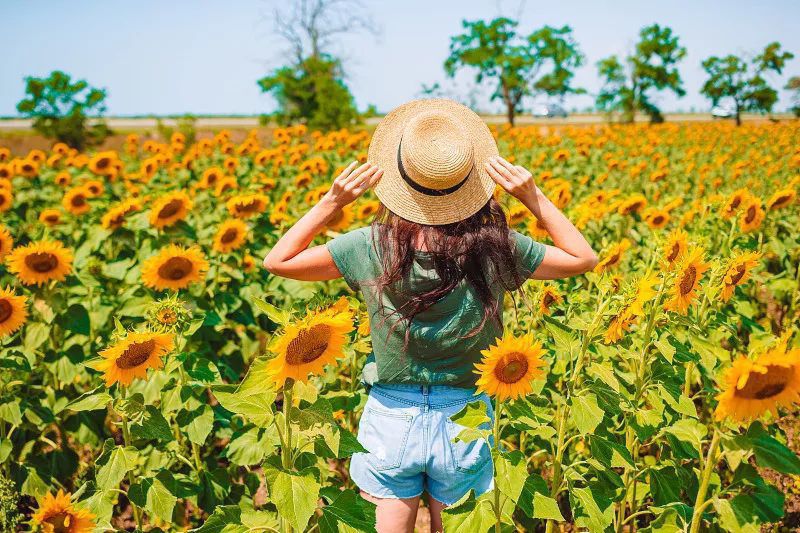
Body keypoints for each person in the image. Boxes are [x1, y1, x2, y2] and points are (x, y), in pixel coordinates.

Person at [263, 99, 598, 533]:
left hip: (389, 417)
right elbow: (584, 258)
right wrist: (532, 196)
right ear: (471, 182)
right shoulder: (494, 249)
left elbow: (278, 261)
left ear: (400, 179)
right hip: (465, 418)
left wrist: (332, 201)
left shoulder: (370, 246)